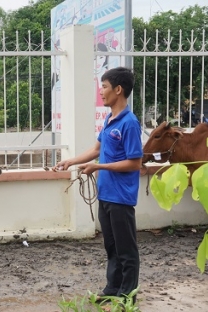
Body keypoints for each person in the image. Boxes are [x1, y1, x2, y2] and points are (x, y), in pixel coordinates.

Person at [54, 67, 143, 303]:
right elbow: (96, 150)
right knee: (112, 248)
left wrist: (98, 167)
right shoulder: (109, 120)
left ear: (118, 89)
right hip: (106, 195)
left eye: (104, 87)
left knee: (126, 251)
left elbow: (135, 163)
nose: (101, 92)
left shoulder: (130, 123)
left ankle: (127, 298)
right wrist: (70, 161)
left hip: (121, 198)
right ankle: (112, 291)